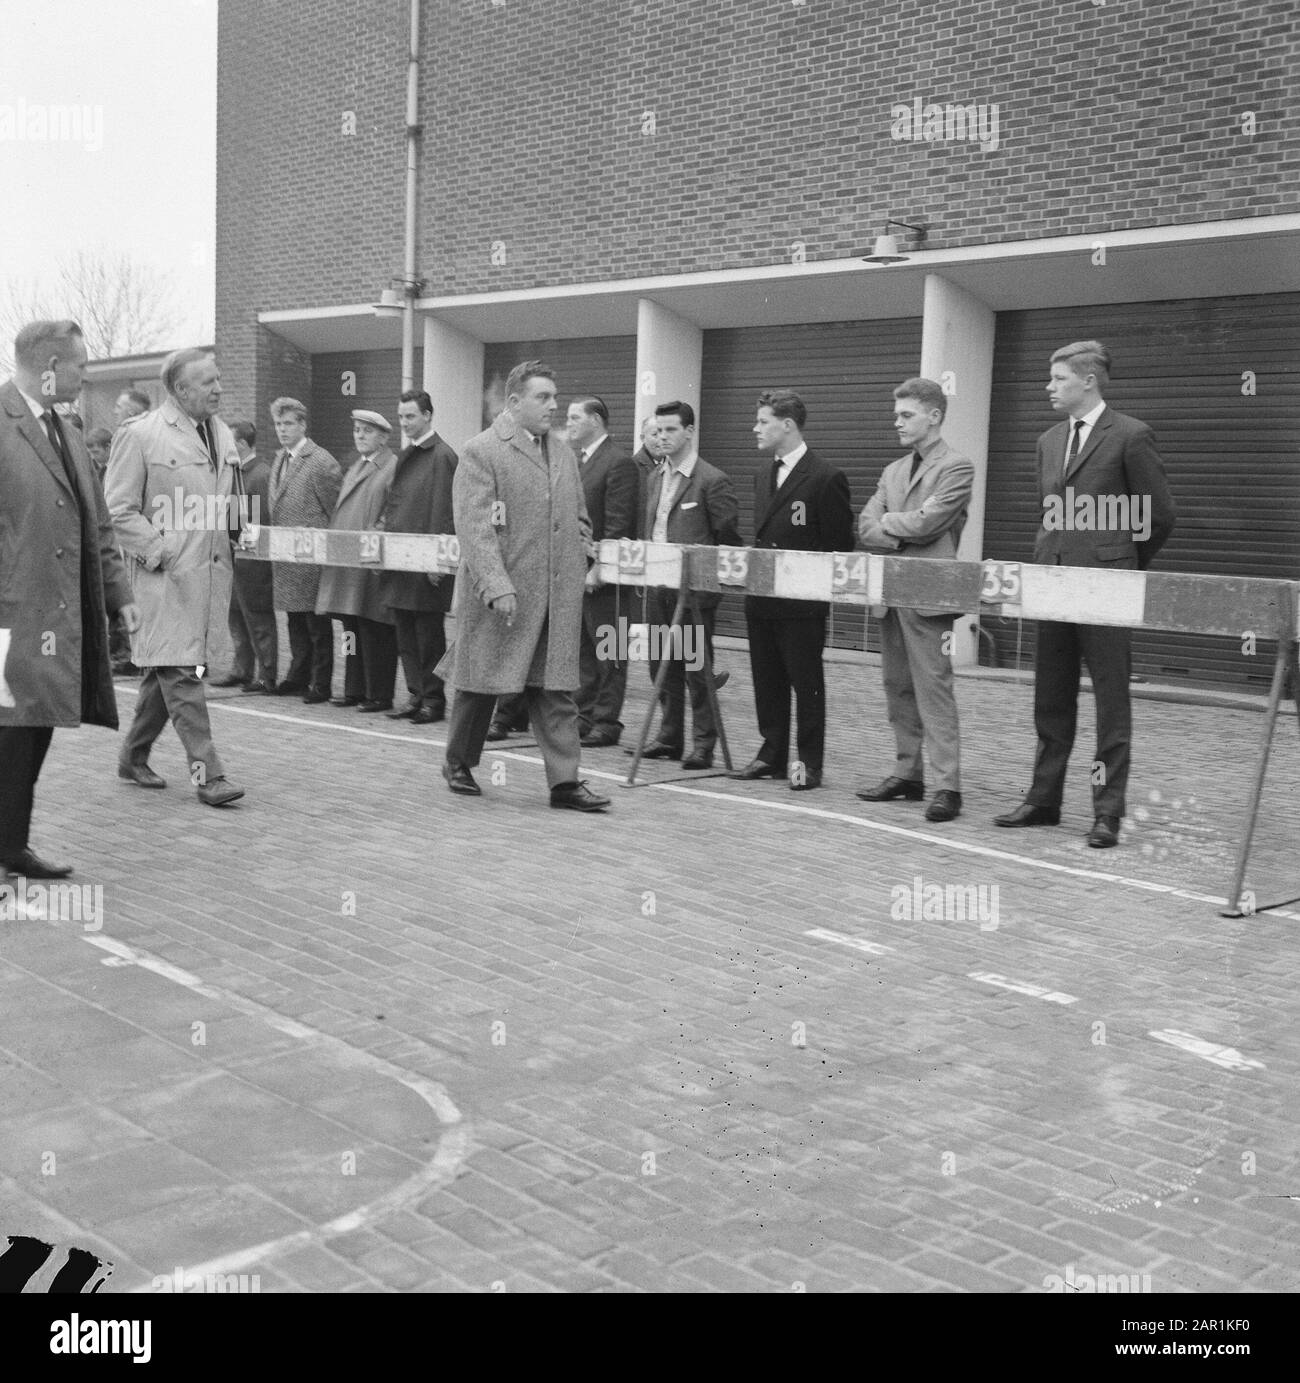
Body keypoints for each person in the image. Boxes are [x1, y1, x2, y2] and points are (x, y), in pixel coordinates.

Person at [994, 340, 1175, 847]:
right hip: (1053, 584)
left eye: (1058, 380)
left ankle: (1107, 811)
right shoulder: (1049, 440)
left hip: (1106, 587)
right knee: (1050, 699)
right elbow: (1049, 512)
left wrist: (1119, 562)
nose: (1049, 388)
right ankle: (1043, 800)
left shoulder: (1131, 436)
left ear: (1089, 380)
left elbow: (1157, 515)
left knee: (1110, 705)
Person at [0, 320, 140, 877]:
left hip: (59, 613)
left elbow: (98, 525)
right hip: (10, 618)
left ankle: (11, 844)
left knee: (34, 729)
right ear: (51, 368)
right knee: (11, 732)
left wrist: (118, 593)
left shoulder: (67, 431)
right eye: (81, 366)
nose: (86, 376)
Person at [438, 359, 609, 811]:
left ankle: (565, 783)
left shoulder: (563, 452)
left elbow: (578, 515)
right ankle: (458, 762)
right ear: (514, 403)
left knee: (554, 688)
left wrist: (584, 551)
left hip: (556, 596)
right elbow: (474, 528)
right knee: (481, 683)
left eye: (555, 397)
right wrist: (496, 585)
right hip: (504, 596)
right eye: (543, 397)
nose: (554, 406)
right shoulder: (482, 451)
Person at [105, 347, 245, 807]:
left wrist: (238, 531)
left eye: (218, 379)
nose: (218, 388)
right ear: (181, 390)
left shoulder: (221, 433)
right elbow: (117, 510)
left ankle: (133, 755)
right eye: (208, 382)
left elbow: (232, 496)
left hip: (208, 578)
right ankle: (210, 776)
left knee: (168, 670)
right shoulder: (142, 435)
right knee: (183, 674)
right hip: (163, 579)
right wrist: (158, 550)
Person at [856, 378, 975, 822]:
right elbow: (863, 526)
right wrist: (897, 524)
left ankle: (948, 787)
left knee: (934, 689)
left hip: (929, 596)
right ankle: (908, 773)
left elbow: (932, 522)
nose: (897, 422)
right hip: (891, 593)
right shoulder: (893, 470)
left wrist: (888, 523)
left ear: (935, 416)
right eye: (897, 414)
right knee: (897, 687)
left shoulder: (957, 466)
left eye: (907, 415)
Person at [734, 389, 853, 791]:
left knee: (807, 685)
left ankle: (807, 763)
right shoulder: (763, 474)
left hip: (802, 605)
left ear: (787, 425)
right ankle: (771, 754)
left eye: (763, 421)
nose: (756, 428)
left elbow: (839, 545)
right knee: (766, 682)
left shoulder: (825, 477)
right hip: (762, 598)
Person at [640, 400, 741, 770]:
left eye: (670, 430)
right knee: (659, 667)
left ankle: (703, 744)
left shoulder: (712, 480)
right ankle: (669, 737)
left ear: (689, 432)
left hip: (695, 596)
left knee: (698, 671)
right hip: (658, 588)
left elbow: (727, 538)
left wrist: (710, 589)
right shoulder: (654, 477)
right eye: (658, 430)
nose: (662, 437)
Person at [377, 390, 458, 724]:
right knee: (406, 635)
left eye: (410, 416)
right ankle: (415, 694)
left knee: (429, 637)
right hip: (402, 561)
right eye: (401, 417)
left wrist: (439, 561)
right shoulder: (407, 454)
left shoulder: (442, 455)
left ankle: (434, 700)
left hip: (427, 565)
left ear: (427, 416)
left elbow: (447, 513)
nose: (405, 423)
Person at [566, 395, 638, 747]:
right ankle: (583, 715)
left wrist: (599, 570)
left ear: (595, 421)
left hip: (604, 580)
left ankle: (607, 721)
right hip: (575, 574)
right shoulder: (578, 461)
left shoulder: (618, 462)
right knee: (583, 650)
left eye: (575, 417)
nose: (568, 423)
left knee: (609, 650)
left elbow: (618, 524)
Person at [316, 409, 399, 711]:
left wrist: (374, 539)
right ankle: (354, 688)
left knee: (374, 629)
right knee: (350, 628)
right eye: (357, 430)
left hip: (370, 563)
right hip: (348, 565)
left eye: (367, 431)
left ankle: (379, 693)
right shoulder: (355, 467)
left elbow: (392, 512)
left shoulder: (390, 466)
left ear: (383, 436)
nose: (360, 435)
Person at [268, 397, 341, 703]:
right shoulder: (280, 458)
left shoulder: (321, 461)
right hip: (287, 556)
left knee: (316, 625)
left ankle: (320, 683)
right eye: (278, 424)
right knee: (294, 620)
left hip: (311, 557)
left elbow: (335, 509)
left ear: (302, 425)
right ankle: (298, 675)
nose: (282, 430)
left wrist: (321, 540)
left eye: (288, 423)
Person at [213, 420, 277, 693]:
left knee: (258, 618)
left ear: (240, 444)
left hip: (251, 561)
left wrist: (241, 548)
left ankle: (266, 674)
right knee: (236, 616)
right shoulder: (234, 473)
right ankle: (242, 669)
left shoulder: (259, 474)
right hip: (231, 558)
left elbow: (260, 520)